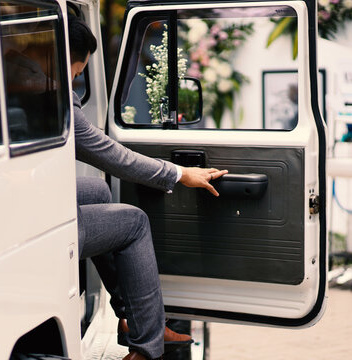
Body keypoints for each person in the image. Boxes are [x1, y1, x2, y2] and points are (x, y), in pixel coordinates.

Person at [68, 16, 228, 360]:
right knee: (133, 222)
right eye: (78, 71)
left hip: (9, 206)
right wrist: (180, 174)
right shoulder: (55, 99)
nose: (77, 78)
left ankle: (132, 319)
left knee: (97, 194)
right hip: (30, 222)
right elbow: (112, 155)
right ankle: (146, 349)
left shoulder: (4, 78)